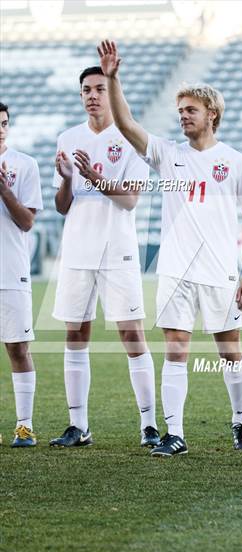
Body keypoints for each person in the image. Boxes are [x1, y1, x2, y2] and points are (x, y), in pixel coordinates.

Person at [97, 40, 242, 457]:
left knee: (231, 350)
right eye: (180, 110)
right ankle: (176, 433)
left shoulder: (237, 162)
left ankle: (241, 421)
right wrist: (113, 79)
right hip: (175, 270)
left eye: (191, 110)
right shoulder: (168, 155)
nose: (183, 116)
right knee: (176, 349)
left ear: (212, 114)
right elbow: (126, 124)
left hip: (221, 270)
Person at [49, 67, 159, 448]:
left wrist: (93, 176)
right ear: (80, 95)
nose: (92, 95)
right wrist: (67, 178)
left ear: (111, 91)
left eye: (99, 88)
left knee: (132, 334)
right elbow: (63, 206)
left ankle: (149, 425)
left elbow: (129, 200)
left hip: (118, 250)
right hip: (77, 250)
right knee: (75, 333)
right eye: (86, 90)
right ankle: (78, 425)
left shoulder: (130, 140)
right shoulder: (68, 137)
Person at [0, 102, 43, 447]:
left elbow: (27, 221)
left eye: (4, 123)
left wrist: (4, 189)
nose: (0, 129)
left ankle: (24, 426)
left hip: (11, 271)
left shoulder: (24, 164)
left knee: (18, 347)